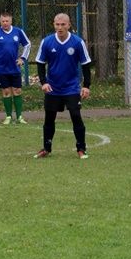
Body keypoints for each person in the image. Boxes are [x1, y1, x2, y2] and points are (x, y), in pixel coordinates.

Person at [34, 13, 92, 159]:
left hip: (71, 87)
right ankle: (46, 148)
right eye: (57, 24)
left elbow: (85, 64)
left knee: (76, 115)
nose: (60, 27)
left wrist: (86, 86)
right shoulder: (47, 42)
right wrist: (44, 82)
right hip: (53, 87)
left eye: (63, 24)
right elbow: (40, 63)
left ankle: (81, 148)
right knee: (49, 118)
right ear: (54, 25)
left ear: (69, 25)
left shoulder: (77, 42)